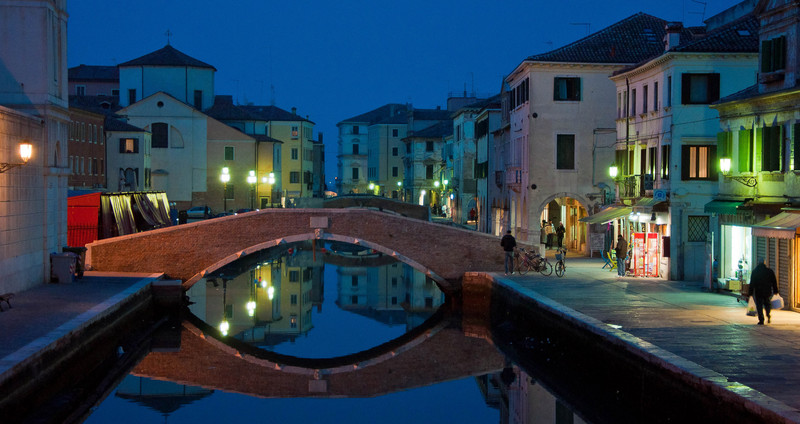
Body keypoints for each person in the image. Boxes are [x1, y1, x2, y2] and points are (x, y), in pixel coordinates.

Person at [750, 258, 778, 325]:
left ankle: (761, 319)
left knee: (759, 305)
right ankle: (768, 315)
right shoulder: (769, 271)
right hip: (767, 291)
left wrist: (750, 293)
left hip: (758, 291)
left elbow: (752, 283)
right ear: (764, 263)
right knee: (767, 303)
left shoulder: (755, 272)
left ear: (758, 263)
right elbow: (774, 282)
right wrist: (775, 290)